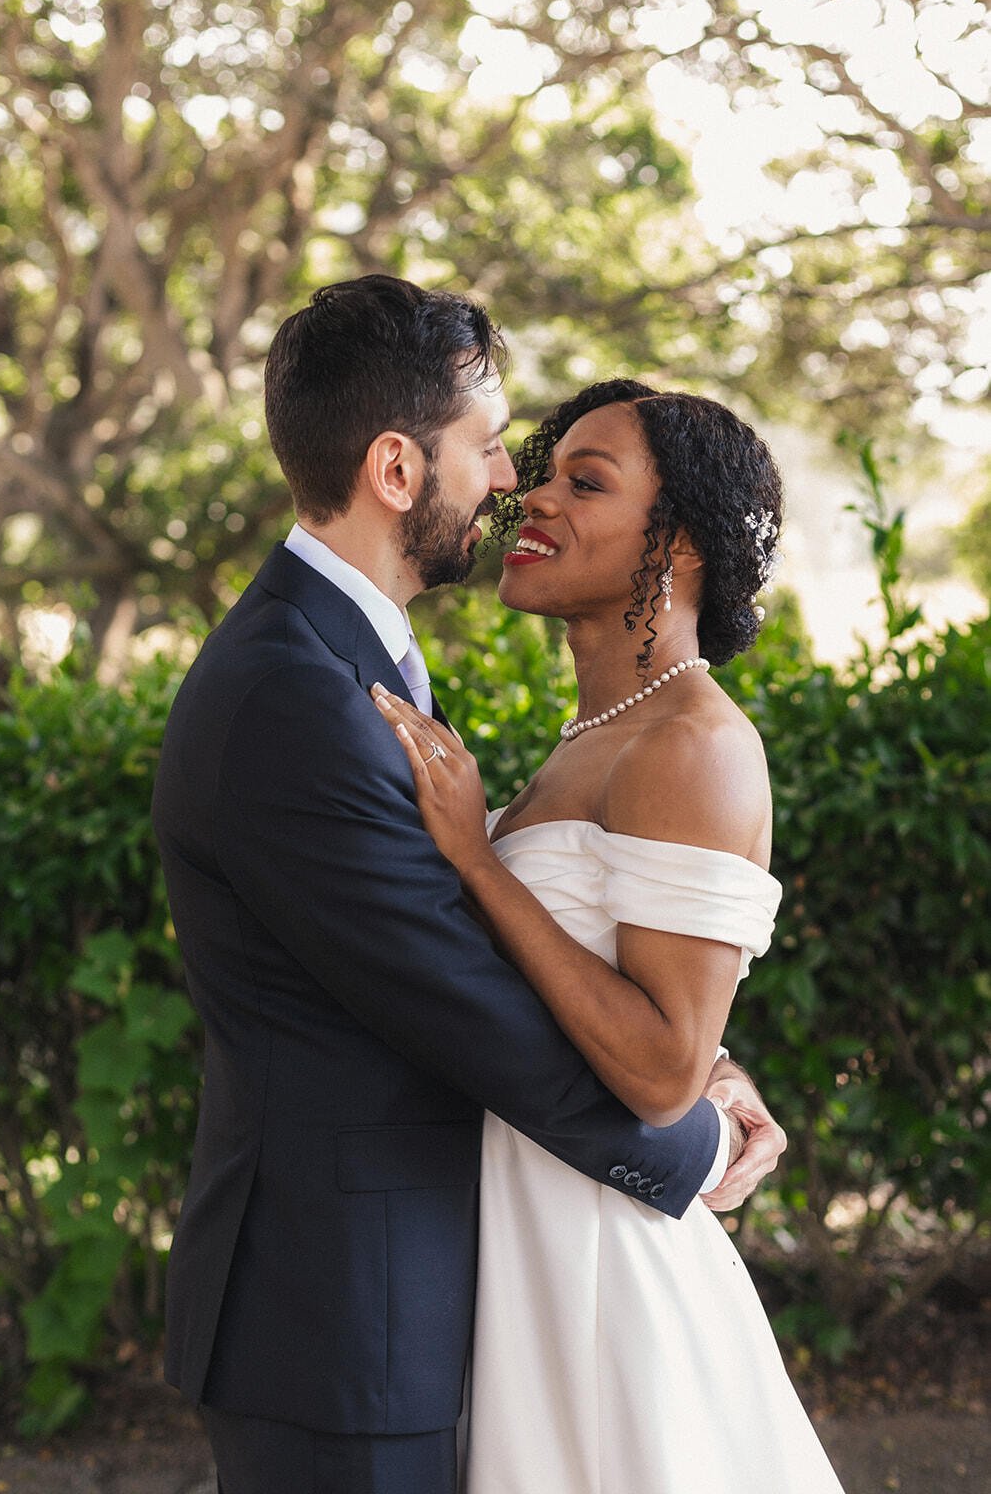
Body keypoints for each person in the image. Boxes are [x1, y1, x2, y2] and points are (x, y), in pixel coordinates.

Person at [151, 278, 784, 1494]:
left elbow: (497, 955)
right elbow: (461, 1001)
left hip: (460, 1286)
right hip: (344, 1309)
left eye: (561, 473)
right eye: (493, 449)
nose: (511, 484)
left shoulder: (356, 660)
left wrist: (687, 1063)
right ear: (397, 467)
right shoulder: (295, 688)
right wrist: (688, 1138)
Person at [372, 376, 846, 1493]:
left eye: (583, 483)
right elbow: (641, 1006)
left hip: (604, 1272)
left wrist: (478, 862)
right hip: (528, 1239)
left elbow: (656, 1068)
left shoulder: (693, 744)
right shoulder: (594, 736)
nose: (529, 500)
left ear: (678, 542)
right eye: (539, 473)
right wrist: (723, 1068)